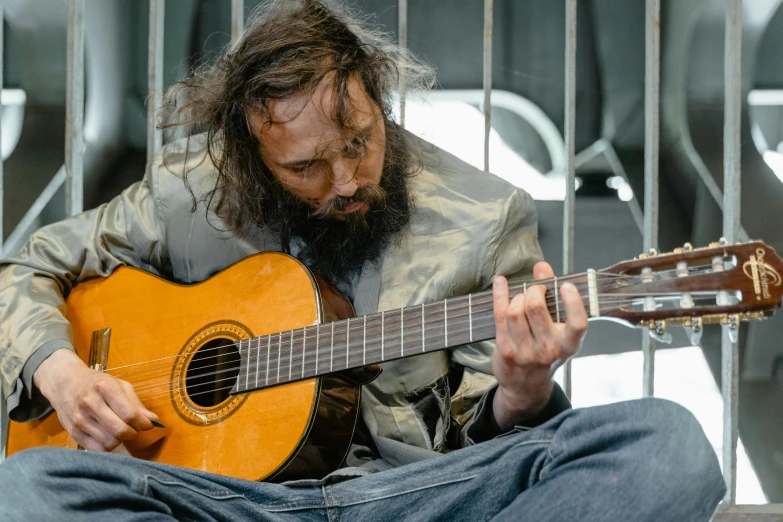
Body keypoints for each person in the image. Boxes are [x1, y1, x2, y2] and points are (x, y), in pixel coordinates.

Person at [0, 1, 725, 520]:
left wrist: (523, 388)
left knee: (669, 447)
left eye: (359, 140)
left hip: (419, 497)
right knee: (24, 486)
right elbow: (26, 270)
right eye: (307, 165)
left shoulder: (483, 216)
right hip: (225, 502)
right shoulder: (192, 195)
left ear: (377, 97)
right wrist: (58, 371)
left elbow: (497, 436)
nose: (346, 179)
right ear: (251, 155)